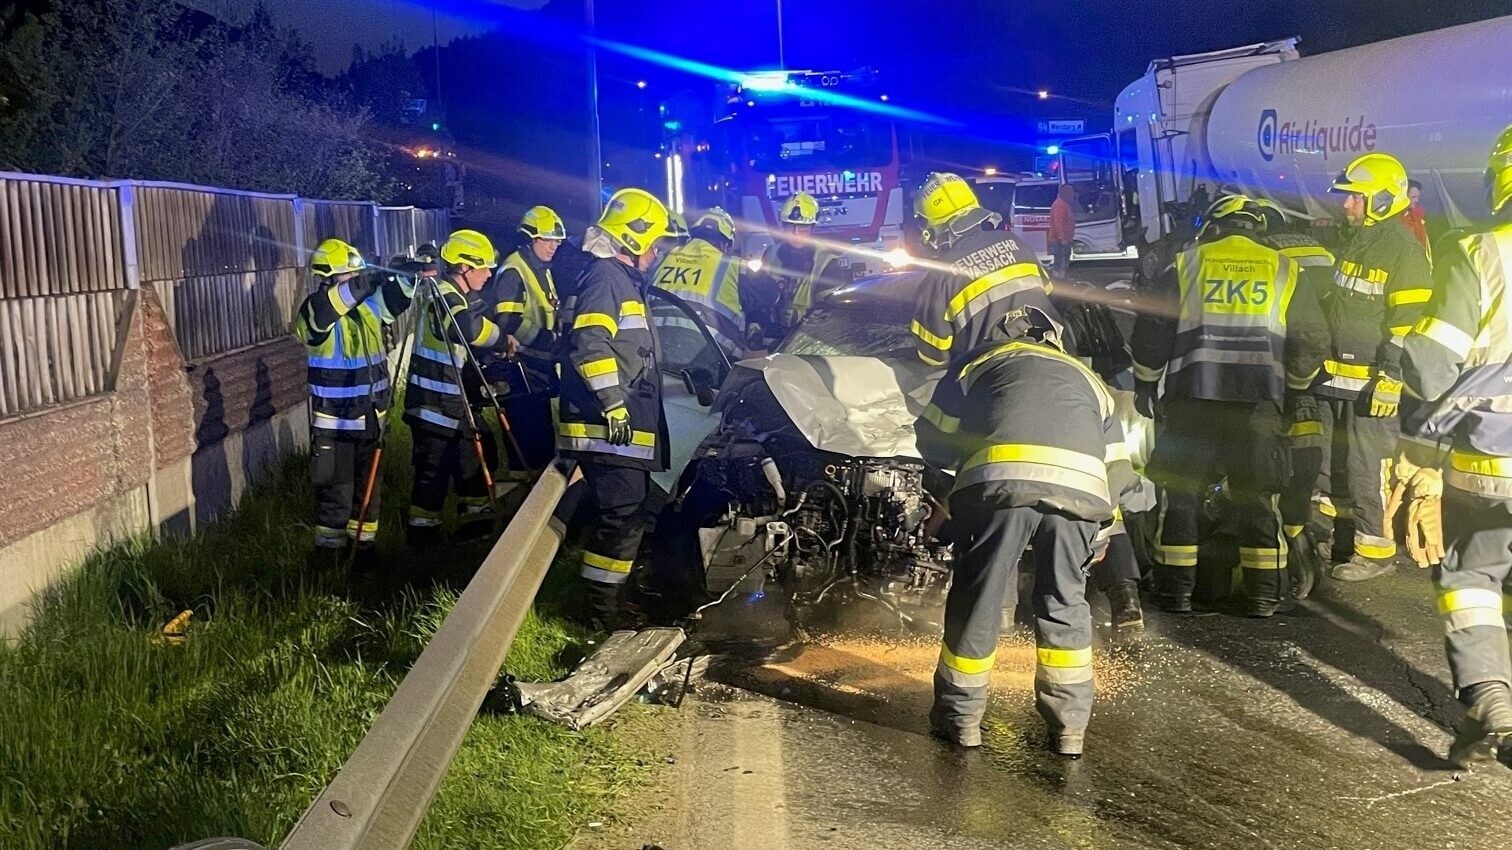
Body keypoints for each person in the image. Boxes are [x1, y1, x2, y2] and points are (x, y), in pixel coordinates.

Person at [916, 306, 1132, 756]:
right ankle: (1069, 730)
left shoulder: (977, 363)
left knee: (979, 598)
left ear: (1000, 336)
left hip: (999, 487)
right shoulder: (1091, 382)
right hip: (1082, 495)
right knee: (1064, 602)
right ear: (1055, 340)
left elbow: (932, 440)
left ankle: (961, 721)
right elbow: (1119, 469)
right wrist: (1101, 529)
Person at [1131, 194, 1329, 616]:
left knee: (1181, 497)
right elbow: (1311, 340)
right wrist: (1293, 389)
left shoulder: (1187, 264)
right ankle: (1263, 596)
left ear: (1215, 226)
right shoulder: (1284, 268)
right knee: (1258, 499)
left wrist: (1145, 384)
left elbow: (1152, 328)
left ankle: (1174, 593)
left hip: (1191, 403)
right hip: (1259, 406)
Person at [1398, 127, 1512, 767]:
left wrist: (1401, 354)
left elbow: (1434, 369)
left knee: (1471, 576)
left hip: (1491, 463)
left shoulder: (1481, 253)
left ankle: (1493, 702)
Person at [1313, 153, 1434, 582]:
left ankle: (1376, 550)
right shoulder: (1358, 239)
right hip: (1336, 377)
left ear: (1380, 199)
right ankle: (1337, 538)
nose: (1346, 205)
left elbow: (1405, 326)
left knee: (1368, 468)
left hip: (1372, 382)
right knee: (1330, 465)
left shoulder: (1402, 250)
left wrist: (1391, 374)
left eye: (1354, 198)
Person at [558, 188, 673, 629]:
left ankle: (610, 604)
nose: (658, 250)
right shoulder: (606, 278)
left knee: (628, 515)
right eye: (655, 241)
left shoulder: (617, 279)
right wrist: (612, 404)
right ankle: (598, 616)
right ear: (635, 239)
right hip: (607, 425)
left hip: (616, 426)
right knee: (620, 518)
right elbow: (589, 345)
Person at [292, 238, 414, 553]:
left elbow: (397, 301)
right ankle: (329, 565)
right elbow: (330, 310)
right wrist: (369, 279)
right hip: (337, 429)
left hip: (372, 423)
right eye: (351, 274)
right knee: (335, 503)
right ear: (329, 276)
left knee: (369, 501)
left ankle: (364, 560)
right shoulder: (314, 311)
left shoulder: (369, 308)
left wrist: (408, 273)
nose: (358, 279)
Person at [1253, 197, 1337, 597]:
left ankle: (1279, 542)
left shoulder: (1266, 254)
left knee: (1269, 456)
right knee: (1308, 445)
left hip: (1280, 364)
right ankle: (1301, 526)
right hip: (1318, 362)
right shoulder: (1318, 249)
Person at [403, 229, 509, 545]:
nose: (490, 274)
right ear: (463, 267)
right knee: (431, 479)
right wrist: (502, 340)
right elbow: (467, 329)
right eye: (484, 267)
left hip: (453, 404)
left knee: (475, 464)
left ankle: (475, 531)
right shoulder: (443, 295)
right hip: (433, 406)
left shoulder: (458, 295)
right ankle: (423, 544)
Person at [910, 171, 1066, 368]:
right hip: (1057, 360)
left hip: (993, 381)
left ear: (929, 229)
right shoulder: (1016, 243)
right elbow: (1049, 292)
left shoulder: (938, 279)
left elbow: (934, 358)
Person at [486, 206, 566, 481]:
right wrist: (549, 341)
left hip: (537, 370)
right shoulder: (514, 270)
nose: (554, 246)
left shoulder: (541, 269)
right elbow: (508, 320)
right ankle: (522, 504)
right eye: (547, 240)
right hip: (521, 371)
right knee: (528, 446)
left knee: (543, 442)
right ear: (530, 238)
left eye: (557, 241)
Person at [652, 206, 748, 358]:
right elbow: (769, 293)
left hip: (657, 353)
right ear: (727, 244)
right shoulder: (733, 266)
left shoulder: (661, 258)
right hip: (710, 360)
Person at [759, 192, 847, 329]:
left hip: (808, 339)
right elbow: (758, 297)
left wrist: (799, 317)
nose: (796, 233)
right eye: (790, 226)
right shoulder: (770, 254)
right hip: (773, 336)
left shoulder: (827, 262)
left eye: (802, 227)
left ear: (812, 227)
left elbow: (832, 310)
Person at [1048, 183, 1077, 277]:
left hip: (1062, 239)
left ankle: (1061, 279)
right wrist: (1063, 238)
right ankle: (1059, 281)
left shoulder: (1064, 204)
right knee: (1060, 262)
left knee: (1062, 261)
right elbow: (1058, 223)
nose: (1072, 194)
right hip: (1059, 241)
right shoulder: (1059, 205)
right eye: (1070, 192)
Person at [1403, 179, 1431, 255]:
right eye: (1413, 197)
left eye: (1417, 197)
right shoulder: (1393, 221)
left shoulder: (1418, 217)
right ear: (1403, 197)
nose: (1417, 200)